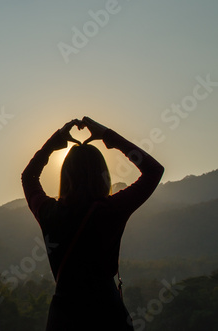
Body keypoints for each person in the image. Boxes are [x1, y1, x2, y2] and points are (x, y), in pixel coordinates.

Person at [21, 117, 164, 330]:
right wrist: (107, 135)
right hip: (107, 314)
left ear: (65, 176)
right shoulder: (111, 210)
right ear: (104, 176)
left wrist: (55, 141)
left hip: (64, 317)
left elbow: (28, 178)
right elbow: (153, 171)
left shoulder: (49, 213)